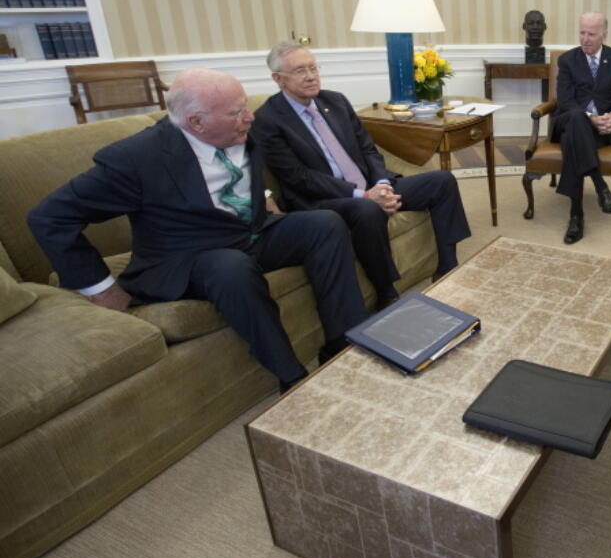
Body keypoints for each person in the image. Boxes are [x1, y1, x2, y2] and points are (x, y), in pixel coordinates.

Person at [27, 68, 366, 392]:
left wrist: (263, 196)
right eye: (237, 112)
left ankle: (343, 345)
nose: (249, 117)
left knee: (324, 223)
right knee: (230, 266)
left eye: (245, 107)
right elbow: (49, 216)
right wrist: (100, 287)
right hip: (191, 256)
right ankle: (291, 378)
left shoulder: (240, 130)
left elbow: (238, 176)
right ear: (196, 122)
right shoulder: (137, 158)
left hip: (250, 234)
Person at [251, 42, 471, 305]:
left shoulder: (335, 100)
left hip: (370, 185)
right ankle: (386, 292)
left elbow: (368, 148)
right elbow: (299, 177)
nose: (311, 76)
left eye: (313, 67)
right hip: (324, 200)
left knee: (442, 181)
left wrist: (381, 183)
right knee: (368, 210)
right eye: (300, 71)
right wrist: (363, 195)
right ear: (279, 79)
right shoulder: (267, 120)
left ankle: (447, 267)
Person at [549, 12, 611, 245]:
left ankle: (576, 216)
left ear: (604, 35)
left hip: (599, 131)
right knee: (577, 116)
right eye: (582, 32)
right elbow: (565, 101)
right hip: (568, 121)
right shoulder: (568, 60)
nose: (585, 39)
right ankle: (601, 187)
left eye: (591, 34)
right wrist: (590, 117)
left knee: (573, 141)